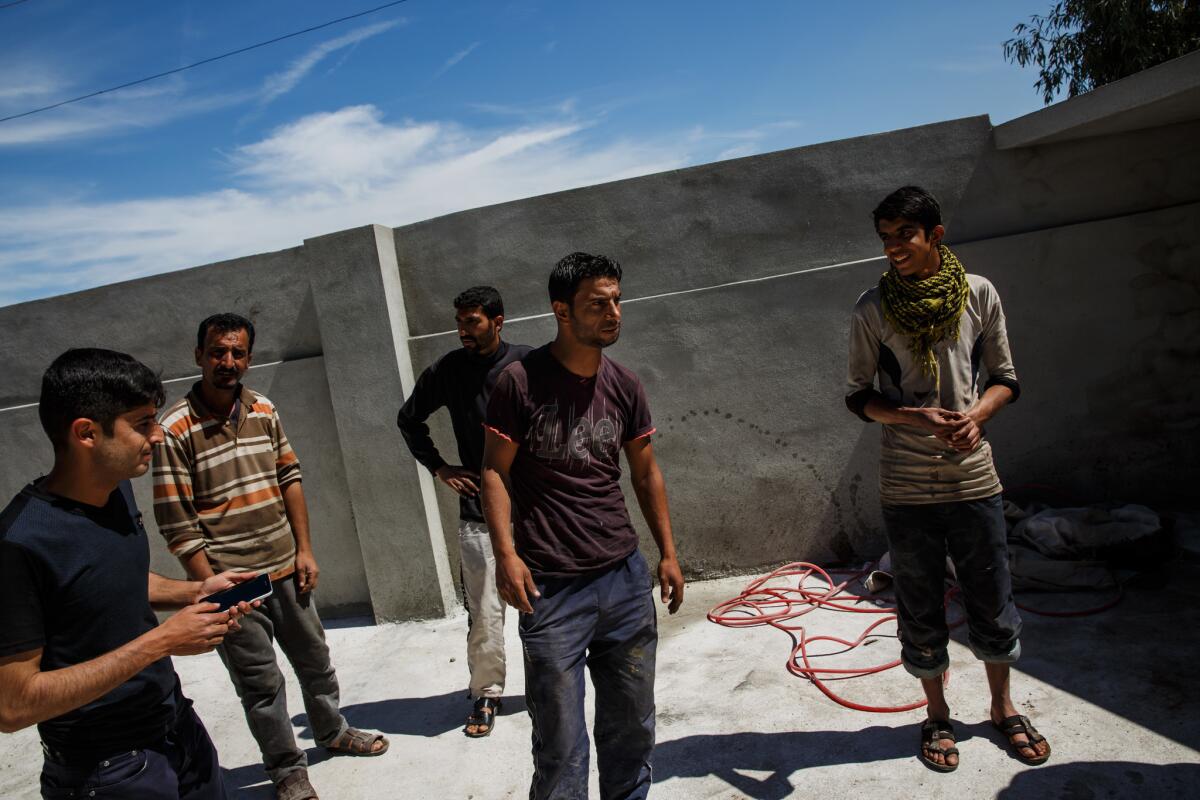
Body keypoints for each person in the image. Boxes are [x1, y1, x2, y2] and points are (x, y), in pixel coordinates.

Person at [845, 186, 1051, 771]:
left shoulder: (979, 294)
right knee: (919, 603)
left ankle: (1002, 707)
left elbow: (1006, 377)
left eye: (903, 236)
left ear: (935, 235)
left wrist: (977, 416)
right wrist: (912, 416)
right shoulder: (870, 310)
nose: (892, 248)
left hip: (974, 479)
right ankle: (936, 714)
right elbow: (859, 397)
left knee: (992, 594)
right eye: (885, 238)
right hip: (906, 485)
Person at [0, 347, 258, 800]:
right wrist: (162, 641)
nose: (158, 436)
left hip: (178, 730)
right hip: (106, 772)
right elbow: (14, 705)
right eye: (142, 424)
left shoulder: (116, 490)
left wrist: (196, 590)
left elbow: (112, 580)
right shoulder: (18, 545)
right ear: (86, 433)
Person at [153, 313, 388, 800]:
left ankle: (332, 731)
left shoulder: (262, 408)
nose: (228, 361)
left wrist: (305, 549)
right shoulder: (175, 428)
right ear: (199, 355)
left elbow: (289, 478)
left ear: (249, 357)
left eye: (238, 352)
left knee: (316, 659)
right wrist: (213, 592)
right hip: (232, 584)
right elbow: (177, 523)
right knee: (261, 685)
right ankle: (287, 772)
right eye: (218, 351)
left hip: (286, 566)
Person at [481, 252, 685, 799]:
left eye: (617, 300)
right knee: (561, 747)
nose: (614, 312)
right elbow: (494, 472)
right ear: (562, 311)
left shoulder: (625, 384)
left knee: (632, 730)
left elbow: (645, 472)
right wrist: (506, 555)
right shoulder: (519, 383)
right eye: (598, 303)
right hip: (550, 590)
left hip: (623, 579)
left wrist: (667, 552)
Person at [397, 285, 532, 738]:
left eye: (471, 322)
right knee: (486, 609)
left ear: (497, 321)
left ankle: (548, 688)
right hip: (479, 512)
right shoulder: (449, 371)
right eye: (459, 323)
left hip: (537, 511)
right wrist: (439, 467)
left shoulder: (528, 363)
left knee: (544, 606)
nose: (462, 331)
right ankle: (486, 694)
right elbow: (408, 418)